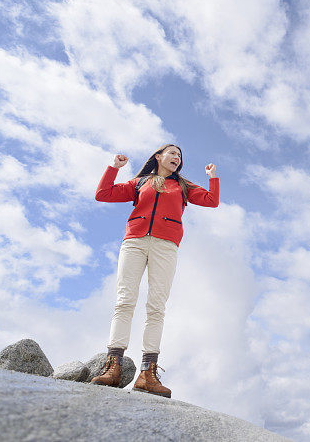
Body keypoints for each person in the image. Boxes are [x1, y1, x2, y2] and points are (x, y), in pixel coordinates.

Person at [90, 144, 219, 398]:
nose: (177, 157)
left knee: (156, 307)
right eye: (172, 153)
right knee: (124, 301)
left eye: (180, 155)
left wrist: (212, 178)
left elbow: (211, 201)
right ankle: (113, 366)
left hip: (166, 246)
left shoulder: (183, 186)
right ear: (158, 156)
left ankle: (147, 373)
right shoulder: (139, 182)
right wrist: (113, 168)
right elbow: (103, 193)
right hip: (135, 241)